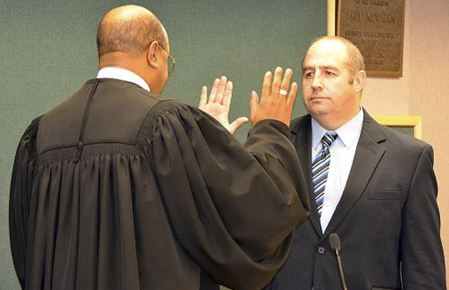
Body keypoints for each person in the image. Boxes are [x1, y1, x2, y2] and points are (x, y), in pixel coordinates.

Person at [9, 5, 310, 290]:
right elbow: (256, 210)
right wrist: (271, 129)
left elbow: (28, 252)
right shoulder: (166, 123)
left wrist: (210, 142)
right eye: (170, 61)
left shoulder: (40, 133)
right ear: (154, 53)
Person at [264, 36, 446, 289]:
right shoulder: (274, 144)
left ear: (358, 81)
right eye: (308, 73)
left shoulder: (408, 157)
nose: (315, 83)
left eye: (329, 73)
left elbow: (424, 268)